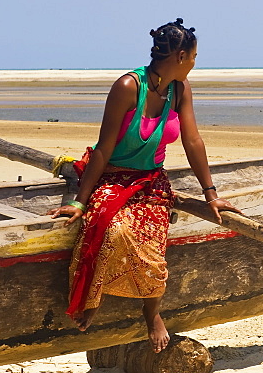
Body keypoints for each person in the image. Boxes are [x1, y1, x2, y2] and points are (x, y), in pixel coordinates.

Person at [47, 18, 240, 352]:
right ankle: (92, 297)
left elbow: (193, 140)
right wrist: (80, 201)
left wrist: (211, 194)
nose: (195, 63)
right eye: (193, 57)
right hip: (111, 176)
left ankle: (152, 312)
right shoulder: (127, 87)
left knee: (152, 245)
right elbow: (104, 147)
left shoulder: (179, 90)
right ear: (180, 56)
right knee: (109, 228)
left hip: (150, 181)